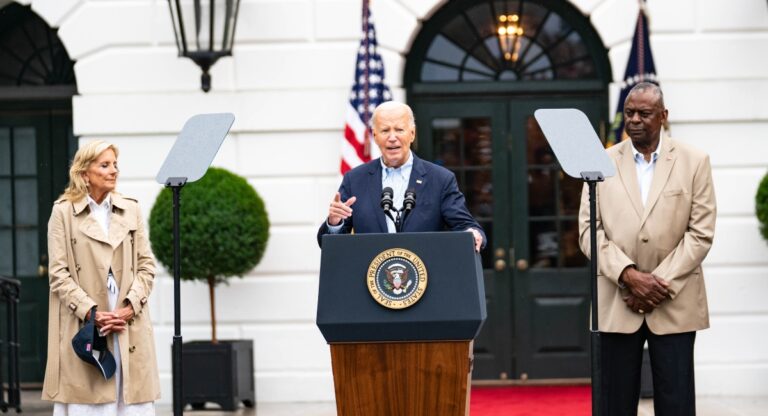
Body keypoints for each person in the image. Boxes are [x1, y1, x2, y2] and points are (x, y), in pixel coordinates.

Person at [578, 82, 716, 416]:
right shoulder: (599, 162)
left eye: (645, 113)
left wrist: (655, 283)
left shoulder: (695, 161)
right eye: (629, 113)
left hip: (674, 301)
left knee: (676, 402)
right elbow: (588, 230)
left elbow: (700, 233)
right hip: (616, 301)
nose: (635, 119)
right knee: (614, 404)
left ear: (663, 116)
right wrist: (628, 275)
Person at [43, 140, 160, 415]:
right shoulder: (63, 212)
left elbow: (146, 265)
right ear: (84, 173)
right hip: (86, 321)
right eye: (105, 165)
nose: (114, 171)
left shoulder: (130, 209)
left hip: (126, 322)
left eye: (115, 165)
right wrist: (91, 312)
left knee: (132, 398)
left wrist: (130, 307)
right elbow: (58, 274)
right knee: (90, 399)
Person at [317, 101, 486, 251]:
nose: (392, 137)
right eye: (385, 130)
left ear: (412, 134)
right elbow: (330, 244)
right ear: (375, 136)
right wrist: (334, 223)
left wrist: (472, 233)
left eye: (399, 129)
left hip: (425, 278)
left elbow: (465, 225)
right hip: (370, 278)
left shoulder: (440, 179)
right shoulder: (355, 179)